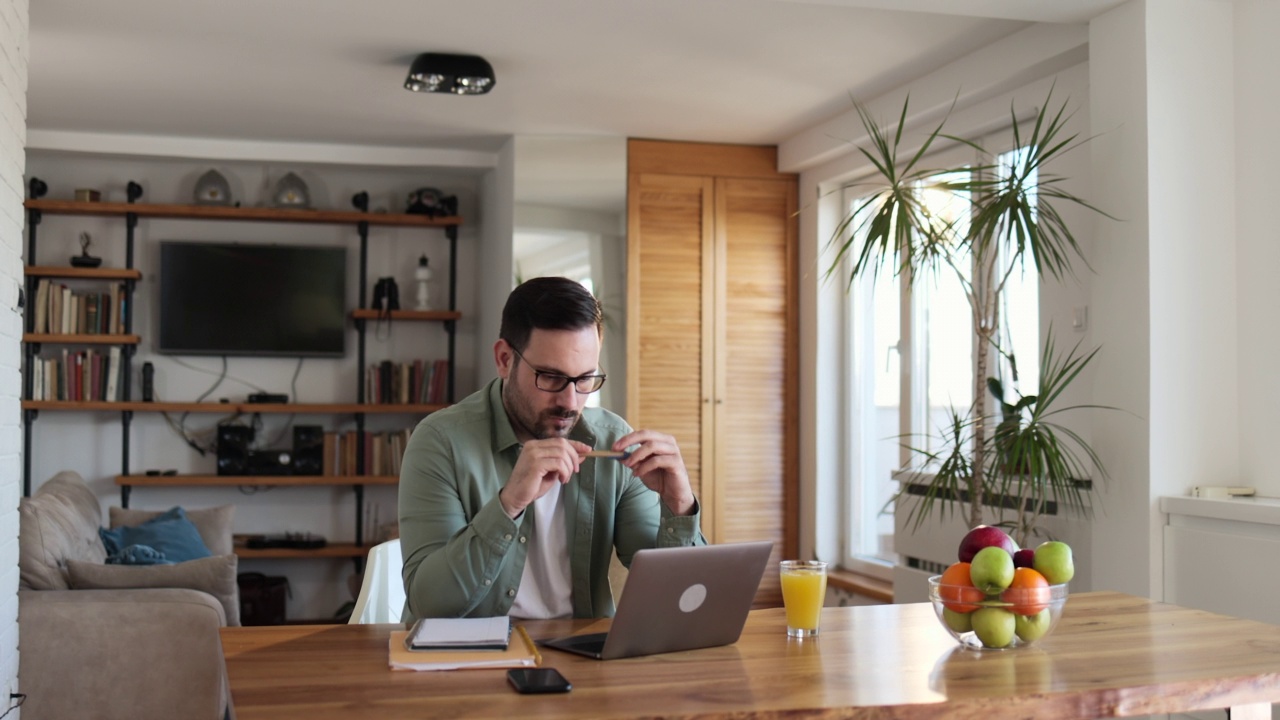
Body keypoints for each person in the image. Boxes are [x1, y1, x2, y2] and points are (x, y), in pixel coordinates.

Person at [398, 276, 705, 621]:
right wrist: (509, 503)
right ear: (503, 359)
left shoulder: (613, 440)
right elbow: (431, 604)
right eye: (551, 377)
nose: (570, 401)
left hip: (585, 658)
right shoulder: (440, 442)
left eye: (585, 379)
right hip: (471, 659)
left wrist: (679, 505)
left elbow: (680, 600)